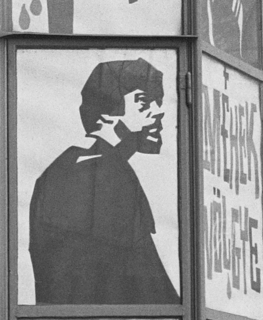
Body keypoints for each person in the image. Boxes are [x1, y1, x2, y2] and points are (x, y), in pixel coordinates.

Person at [28, 58, 178, 305]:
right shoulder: (103, 172)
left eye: (158, 102)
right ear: (107, 113)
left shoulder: (66, 169)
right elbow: (149, 287)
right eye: (143, 102)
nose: (158, 111)